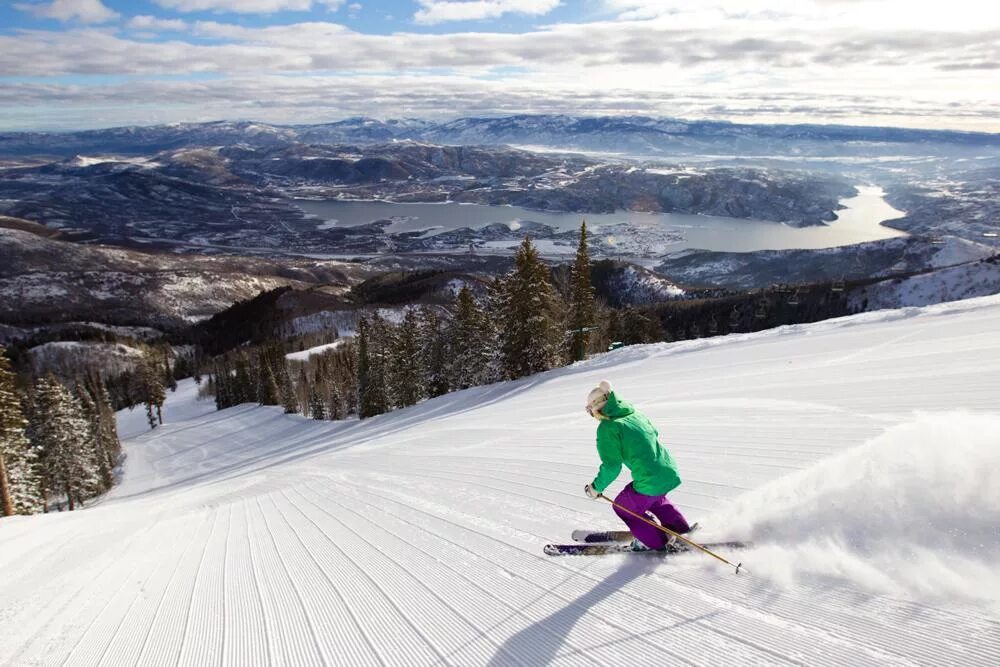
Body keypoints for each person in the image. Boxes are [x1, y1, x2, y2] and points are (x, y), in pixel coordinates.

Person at [583, 380, 694, 551]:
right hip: (668, 471)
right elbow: (653, 435)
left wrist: (596, 487)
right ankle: (681, 530)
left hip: (650, 478)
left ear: (597, 408)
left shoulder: (608, 427)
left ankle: (655, 541)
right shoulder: (635, 414)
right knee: (654, 498)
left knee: (623, 506)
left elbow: (612, 466)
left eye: (591, 412)